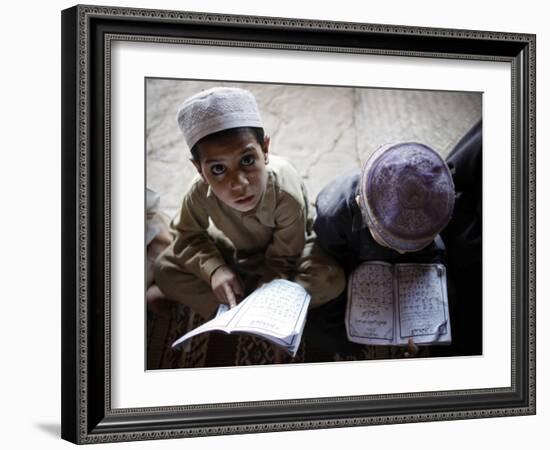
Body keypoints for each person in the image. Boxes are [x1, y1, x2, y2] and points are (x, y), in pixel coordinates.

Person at [154, 87, 345, 327]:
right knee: (164, 267)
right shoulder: (199, 192)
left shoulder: (285, 190)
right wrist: (215, 271)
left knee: (329, 279)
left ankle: (249, 309)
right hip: (240, 254)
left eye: (247, 160)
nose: (239, 184)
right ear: (199, 169)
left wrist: (268, 287)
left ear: (265, 150)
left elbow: (285, 255)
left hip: (291, 255)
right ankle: (235, 314)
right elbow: (186, 235)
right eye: (218, 169)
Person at [310, 141, 455, 357]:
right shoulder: (333, 214)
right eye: (392, 242)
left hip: (405, 270)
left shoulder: (431, 209)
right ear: (361, 205)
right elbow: (333, 258)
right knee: (322, 323)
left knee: (447, 298)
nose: (404, 251)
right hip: (353, 264)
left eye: (412, 245)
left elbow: (430, 255)